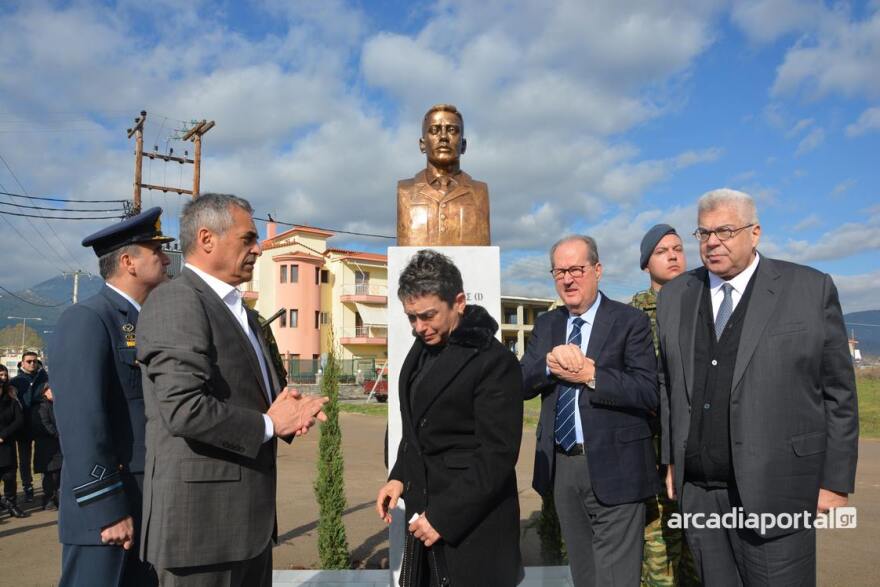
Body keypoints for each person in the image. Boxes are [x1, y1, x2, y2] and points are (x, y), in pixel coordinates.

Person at [658, 188, 859, 585]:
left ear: (755, 233)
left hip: (779, 489)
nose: (712, 242)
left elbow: (839, 393)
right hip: (700, 493)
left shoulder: (807, 289)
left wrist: (834, 482)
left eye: (725, 230)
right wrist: (670, 460)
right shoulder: (677, 296)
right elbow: (668, 383)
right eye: (703, 233)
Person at [137, 192, 329, 586]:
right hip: (202, 533)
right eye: (248, 239)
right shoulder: (178, 301)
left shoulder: (238, 310)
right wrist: (269, 424)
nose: (258, 249)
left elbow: (244, 394)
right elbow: (183, 409)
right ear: (207, 239)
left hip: (246, 530)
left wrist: (286, 411)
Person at [376, 250, 523, 586]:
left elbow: (496, 456)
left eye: (428, 316)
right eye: (411, 317)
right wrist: (399, 476)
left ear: (458, 302)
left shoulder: (493, 362)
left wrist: (443, 517)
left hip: (472, 527)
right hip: (425, 513)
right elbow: (418, 427)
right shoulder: (424, 347)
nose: (418, 327)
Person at [521, 235, 659, 586]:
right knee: (584, 575)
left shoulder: (630, 321)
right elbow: (519, 383)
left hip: (617, 468)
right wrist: (549, 366)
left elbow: (648, 392)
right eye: (559, 271)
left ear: (597, 270)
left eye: (577, 269)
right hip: (563, 468)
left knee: (615, 578)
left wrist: (592, 375)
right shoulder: (547, 325)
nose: (568, 279)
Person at [50, 206, 176, 586]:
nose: (166, 258)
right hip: (106, 514)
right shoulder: (88, 319)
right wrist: (107, 508)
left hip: (144, 503)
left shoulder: (146, 321)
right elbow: (81, 423)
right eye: (156, 251)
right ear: (128, 262)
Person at [631, 224, 699, 586]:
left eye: (678, 248)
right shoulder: (633, 317)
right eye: (661, 251)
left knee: (704, 556)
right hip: (655, 453)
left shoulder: (706, 306)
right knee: (660, 561)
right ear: (646, 264)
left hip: (702, 453)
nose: (673, 255)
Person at [397, 104, 491, 246]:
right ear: (422, 144)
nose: (443, 137)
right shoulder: (405, 190)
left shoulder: (479, 191)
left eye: (452, 130)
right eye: (434, 130)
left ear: (463, 145)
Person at [10, 350, 48, 503]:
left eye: (34, 361)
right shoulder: (16, 381)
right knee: (24, 459)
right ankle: (27, 486)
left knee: (45, 456)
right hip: (23, 426)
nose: (32, 364)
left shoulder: (45, 378)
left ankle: (48, 487)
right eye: (29, 361)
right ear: (22, 363)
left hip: (41, 424)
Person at [1, 375, 27, 519]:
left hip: (7, 445)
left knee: (10, 476)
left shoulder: (11, 402)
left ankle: (12, 504)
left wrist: (4, 435)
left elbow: (19, 420)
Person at [32, 386, 62, 510]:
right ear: (44, 391)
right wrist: (58, 434)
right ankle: (48, 499)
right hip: (46, 446)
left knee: (57, 474)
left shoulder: (57, 405)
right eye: (51, 390)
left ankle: (56, 498)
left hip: (57, 445)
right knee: (49, 475)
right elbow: (45, 424)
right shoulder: (41, 406)